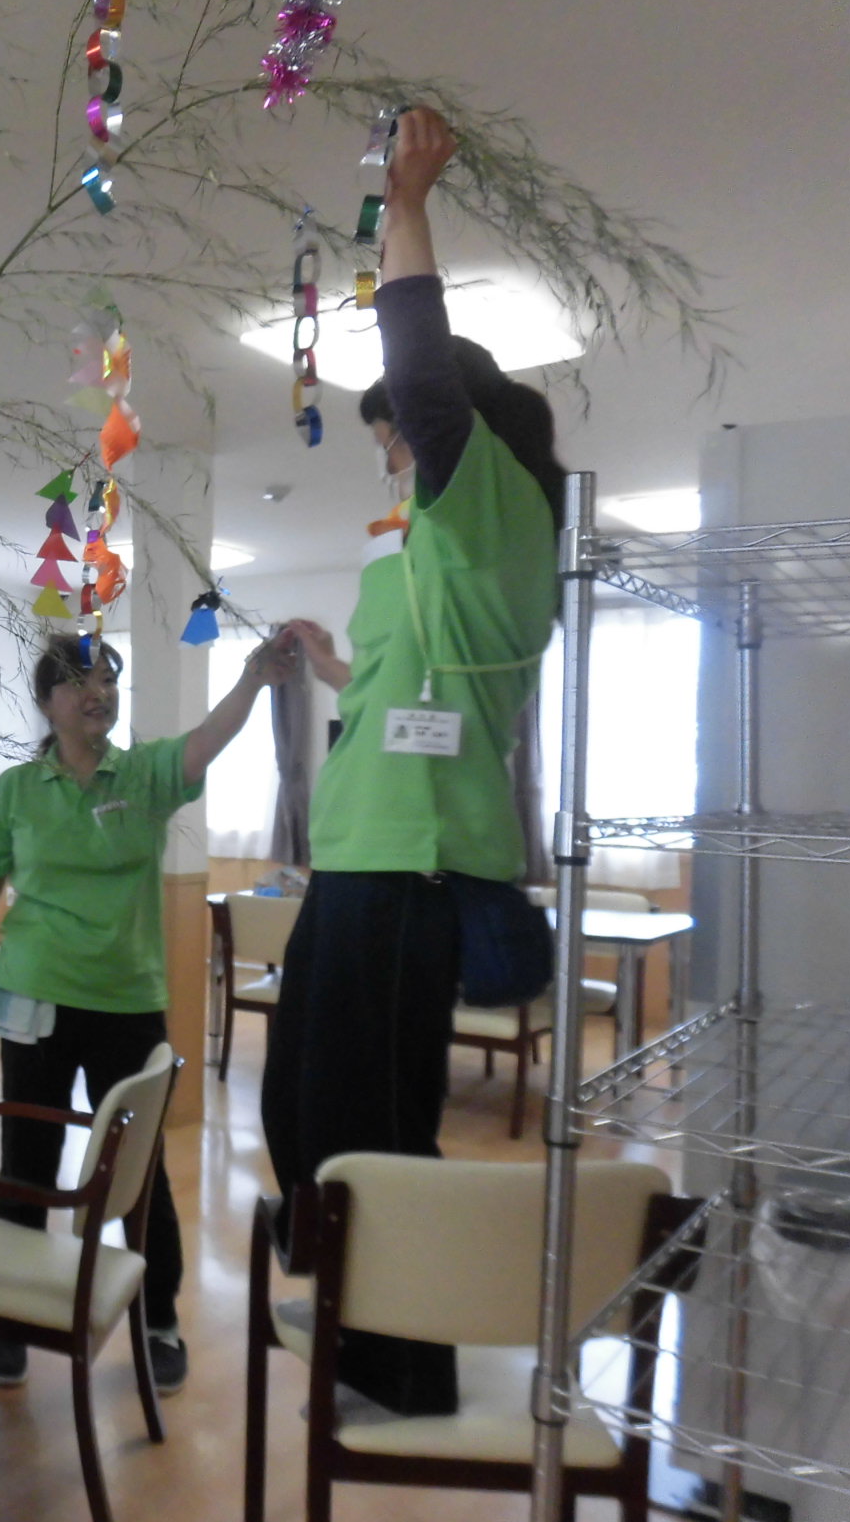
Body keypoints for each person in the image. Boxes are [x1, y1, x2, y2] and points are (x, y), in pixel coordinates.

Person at [263, 106, 566, 1418]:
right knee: (301, 1107)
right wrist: (334, 668)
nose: (390, 454)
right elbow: (414, 693)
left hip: (417, 868)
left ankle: (400, 1364)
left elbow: (425, 376)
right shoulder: (440, 550)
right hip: (363, 858)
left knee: (372, 1126)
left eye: (391, 435)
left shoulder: (493, 500)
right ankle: (354, 1314)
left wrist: (405, 203)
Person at [0, 627, 293, 1393]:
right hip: (33, 994)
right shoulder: (18, 790)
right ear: (48, 701)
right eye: (80, 682)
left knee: (137, 1168)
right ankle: (12, 1319)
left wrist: (253, 678)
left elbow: (207, 741)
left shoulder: (143, 774)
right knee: (27, 1161)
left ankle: (158, 1319)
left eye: (108, 680)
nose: (98, 693)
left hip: (126, 1000)